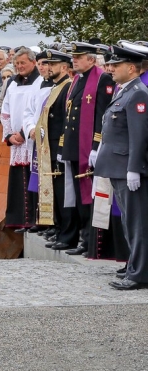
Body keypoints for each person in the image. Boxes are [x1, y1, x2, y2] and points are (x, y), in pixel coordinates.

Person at [94, 44, 148, 290]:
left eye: (116, 65)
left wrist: (134, 168)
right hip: (117, 166)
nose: (110, 68)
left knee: (137, 223)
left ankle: (140, 274)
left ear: (131, 68)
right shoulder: (124, 90)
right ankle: (134, 266)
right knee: (129, 221)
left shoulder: (138, 93)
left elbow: (139, 136)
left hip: (128, 168)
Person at [60, 41, 115, 256]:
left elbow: (102, 115)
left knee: (89, 196)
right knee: (78, 196)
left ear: (91, 59)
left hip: (88, 148)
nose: (74, 60)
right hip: (74, 146)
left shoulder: (102, 79)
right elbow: (69, 115)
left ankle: (91, 240)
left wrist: (95, 145)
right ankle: (83, 236)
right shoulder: (76, 79)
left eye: (78, 57)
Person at [31, 51, 75, 249]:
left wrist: (61, 147)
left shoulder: (67, 87)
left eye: (53, 64)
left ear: (64, 67)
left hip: (58, 145)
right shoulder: (56, 87)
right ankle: (59, 230)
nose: (48, 67)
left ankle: (68, 234)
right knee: (56, 192)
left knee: (64, 193)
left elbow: (66, 122)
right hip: (49, 145)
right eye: (48, 64)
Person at [0, 47, 42, 231]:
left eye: (23, 63)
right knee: (19, 181)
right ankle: (20, 219)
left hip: (32, 138)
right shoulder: (12, 83)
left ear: (33, 62)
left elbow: (38, 109)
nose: (19, 67)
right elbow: (5, 110)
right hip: (17, 140)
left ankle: (34, 220)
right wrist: (9, 134)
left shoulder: (40, 82)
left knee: (33, 180)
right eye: (17, 64)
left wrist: (25, 133)